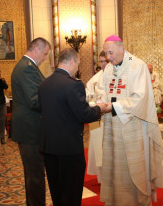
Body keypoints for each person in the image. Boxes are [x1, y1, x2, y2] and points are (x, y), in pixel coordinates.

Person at [98, 35, 163, 206]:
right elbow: (103, 91)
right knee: (115, 166)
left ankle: (137, 201)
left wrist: (111, 106)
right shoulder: (108, 69)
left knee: (132, 168)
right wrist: (101, 101)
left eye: (110, 52)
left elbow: (139, 99)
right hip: (112, 127)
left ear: (121, 48)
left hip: (132, 127)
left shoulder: (137, 66)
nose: (108, 57)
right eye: (106, 53)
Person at [38, 48, 107, 206]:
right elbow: (83, 115)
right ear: (71, 61)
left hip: (49, 147)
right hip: (68, 149)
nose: (77, 68)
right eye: (77, 64)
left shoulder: (45, 83)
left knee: (57, 190)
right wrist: (99, 109)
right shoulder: (73, 85)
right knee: (71, 192)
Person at [11, 37, 51, 206]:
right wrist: (57, 105)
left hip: (32, 128)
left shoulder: (28, 67)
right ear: (36, 50)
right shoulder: (26, 68)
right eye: (45, 54)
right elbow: (35, 100)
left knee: (34, 173)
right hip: (30, 129)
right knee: (35, 175)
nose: (45, 58)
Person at [86, 51, 108, 182]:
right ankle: (102, 178)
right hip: (98, 118)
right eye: (101, 61)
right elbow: (87, 95)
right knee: (99, 149)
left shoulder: (119, 77)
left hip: (113, 117)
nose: (104, 64)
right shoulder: (94, 79)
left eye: (106, 61)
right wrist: (95, 102)